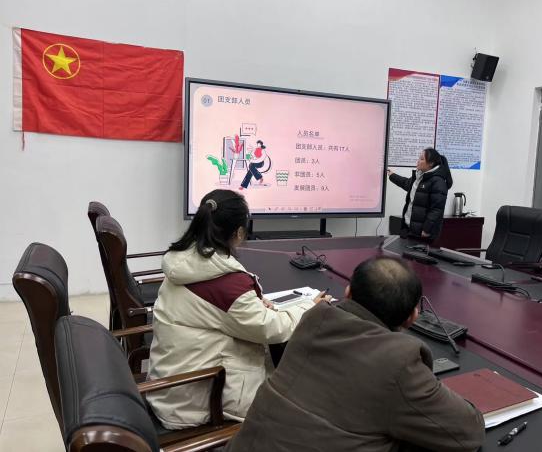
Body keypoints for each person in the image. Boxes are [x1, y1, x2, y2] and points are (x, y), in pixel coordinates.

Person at [226, 256, 485, 452]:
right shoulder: (399, 361)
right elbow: (468, 433)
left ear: (348, 292)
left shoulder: (313, 319)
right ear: (412, 318)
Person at [146, 189, 331, 429]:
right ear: (239, 233)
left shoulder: (184, 260)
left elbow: (217, 312)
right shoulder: (226, 284)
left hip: (170, 382)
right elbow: (271, 329)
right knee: (305, 392)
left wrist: (252, 303)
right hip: (193, 400)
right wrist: (310, 307)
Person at [387, 148, 453, 240]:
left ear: (431, 163)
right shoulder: (420, 176)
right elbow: (406, 183)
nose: (418, 161)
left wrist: (426, 230)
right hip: (409, 229)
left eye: (421, 159)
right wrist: (391, 175)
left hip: (422, 233)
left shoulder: (438, 181)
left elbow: (436, 209)